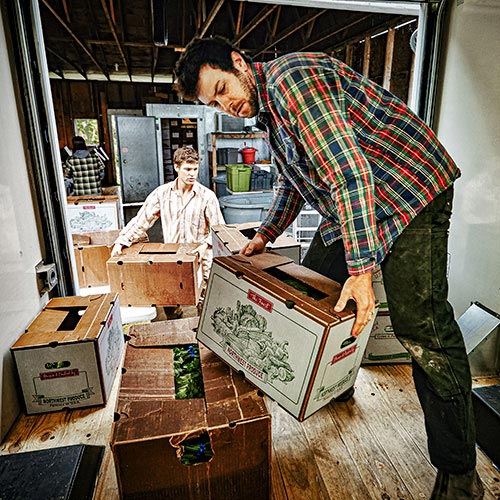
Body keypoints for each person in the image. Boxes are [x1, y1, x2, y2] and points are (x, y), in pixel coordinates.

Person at [173, 37, 483, 499]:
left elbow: (349, 174)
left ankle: (460, 473)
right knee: (313, 287)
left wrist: (361, 272)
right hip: (359, 203)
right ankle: (334, 381)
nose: (227, 104)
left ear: (239, 63)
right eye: (214, 102)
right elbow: (294, 181)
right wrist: (264, 235)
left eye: (222, 88)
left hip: (410, 191)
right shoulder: (269, 116)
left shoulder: (290, 81)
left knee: (423, 331)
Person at [111, 146, 225, 285]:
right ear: (176, 167)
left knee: (202, 300)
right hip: (174, 260)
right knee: (174, 297)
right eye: (187, 169)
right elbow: (141, 220)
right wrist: (121, 241)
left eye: (195, 169)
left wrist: (204, 246)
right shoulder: (162, 194)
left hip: (200, 260)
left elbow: (219, 229)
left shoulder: (207, 196)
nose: (192, 174)